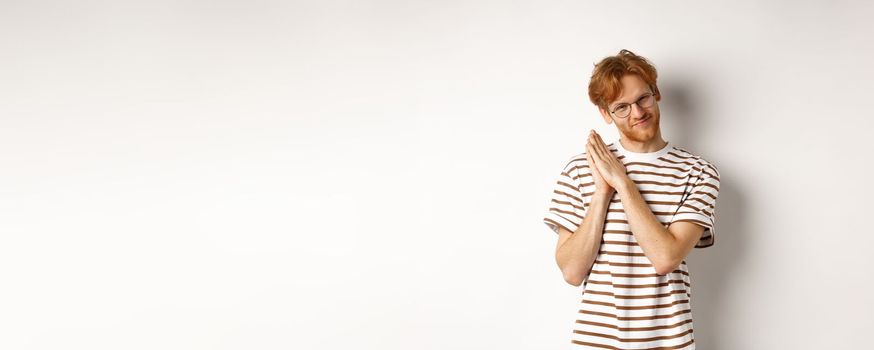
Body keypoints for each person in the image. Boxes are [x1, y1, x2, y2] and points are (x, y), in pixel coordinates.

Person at [542, 49, 721, 349]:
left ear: (656, 93)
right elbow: (572, 272)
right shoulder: (580, 169)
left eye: (642, 99)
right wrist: (602, 192)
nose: (637, 113)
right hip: (597, 342)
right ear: (605, 114)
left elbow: (665, 258)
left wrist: (623, 184)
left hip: (668, 342)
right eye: (621, 107)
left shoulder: (699, 172)